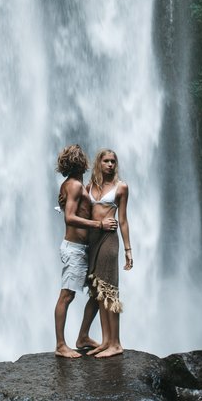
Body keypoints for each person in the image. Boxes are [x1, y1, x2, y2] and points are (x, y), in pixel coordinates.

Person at [54, 144, 115, 358]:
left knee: (97, 292)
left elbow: (76, 206)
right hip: (75, 249)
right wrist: (100, 225)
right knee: (67, 295)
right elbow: (69, 217)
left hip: (83, 249)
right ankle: (61, 345)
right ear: (82, 162)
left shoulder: (74, 185)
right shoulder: (74, 186)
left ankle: (83, 337)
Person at [85, 148, 131, 358]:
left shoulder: (121, 188)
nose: (110, 164)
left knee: (110, 289)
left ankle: (116, 343)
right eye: (106, 161)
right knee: (99, 291)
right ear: (99, 163)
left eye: (113, 161)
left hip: (110, 241)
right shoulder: (90, 186)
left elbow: (122, 220)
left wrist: (128, 250)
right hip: (94, 241)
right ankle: (105, 341)